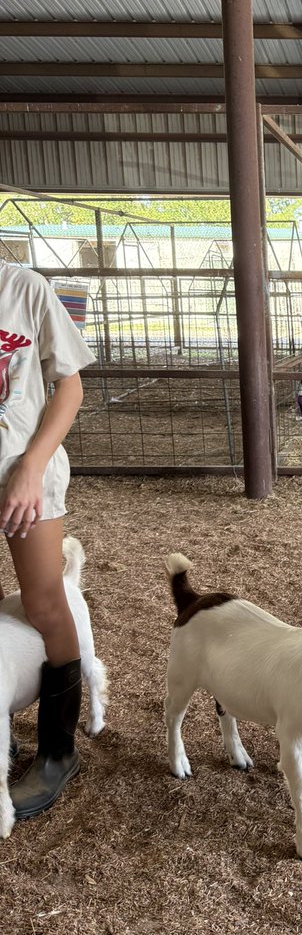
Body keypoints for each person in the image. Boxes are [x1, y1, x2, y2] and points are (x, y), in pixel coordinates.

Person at [1, 258, 95, 821]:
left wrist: (32, 466)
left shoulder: (24, 289)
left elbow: (70, 387)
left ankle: (58, 750)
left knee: (43, 602)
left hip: (21, 474)